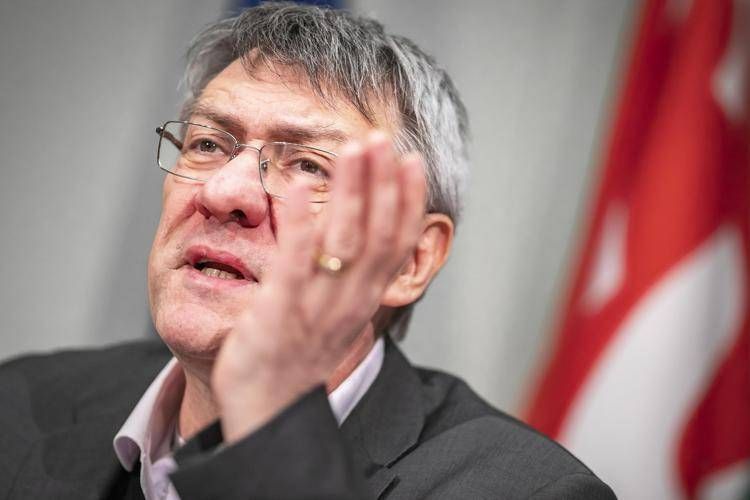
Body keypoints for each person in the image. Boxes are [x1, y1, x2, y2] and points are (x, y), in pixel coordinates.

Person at [0, 3, 615, 499]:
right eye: (209, 143)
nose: (223, 191)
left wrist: (269, 422)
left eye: (308, 165)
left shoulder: (528, 492)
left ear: (411, 260)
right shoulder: (18, 403)